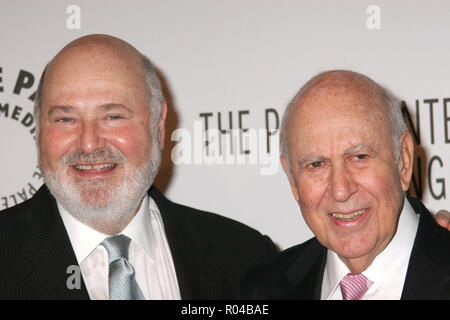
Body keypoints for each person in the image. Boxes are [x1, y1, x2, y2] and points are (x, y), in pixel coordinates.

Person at [0, 34, 277, 299]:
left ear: (158, 125)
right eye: (65, 119)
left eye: (113, 116)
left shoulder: (246, 258)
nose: (88, 144)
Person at [238, 70, 450, 300]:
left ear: (404, 162)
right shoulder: (260, 290)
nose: (340, 190)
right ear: (292, 180)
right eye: (316, 164)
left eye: (360, 157)